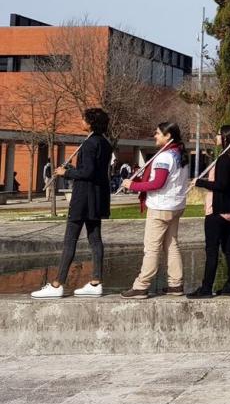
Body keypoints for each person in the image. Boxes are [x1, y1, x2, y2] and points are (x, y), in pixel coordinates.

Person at [31, 108, 112, 299]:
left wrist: (65, 173)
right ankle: (96, 282)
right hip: (97, 197)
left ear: (90, 122)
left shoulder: (90, 143)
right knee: (95, 239)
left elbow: (88, 173)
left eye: (83, 119)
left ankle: (57, 283)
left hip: (83, 198)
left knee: (70, 240)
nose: (81, 121)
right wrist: (74, 169)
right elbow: (91, 170)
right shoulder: (105, 143)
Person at [120, 122, 190, 299]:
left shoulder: (164, 157)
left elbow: (157, 183)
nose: (155, 136)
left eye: (158, 133)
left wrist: (133, 185)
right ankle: (176, 284)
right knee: (171, 245)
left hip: (160, 207)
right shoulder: (180, 155)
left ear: (168, 137)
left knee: (152, 248)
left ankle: (141, 286)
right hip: (175, 206)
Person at [187, 125, 230, 298]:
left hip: (217, 211)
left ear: (225, 137)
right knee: (228, 248)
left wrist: (200, 182)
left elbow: (221, 185)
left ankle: (206, 288)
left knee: (212, 250)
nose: (216, 137)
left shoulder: (225, 159)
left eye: (218, 134)